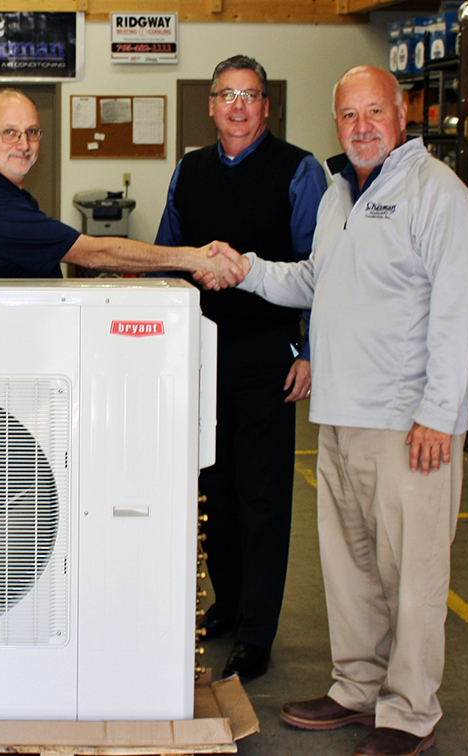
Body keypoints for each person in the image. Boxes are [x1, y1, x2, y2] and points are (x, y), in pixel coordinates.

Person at [221, 65, 468, 756]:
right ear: (335, 122)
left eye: (374, 112)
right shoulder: (340, 193)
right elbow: (316, 279)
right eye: (348, 115)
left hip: (406, 424)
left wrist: (439, 413)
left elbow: (460, 311)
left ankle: (410, 712)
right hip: (339, 414)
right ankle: (358, 686)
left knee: (412, 574)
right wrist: (246, 268)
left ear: (402, 115)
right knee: (351, 569)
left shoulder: (438, 195)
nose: (361, 127)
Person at [154, 55, 328, 681]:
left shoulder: (300, 171)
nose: (237, 106)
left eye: (249, 95)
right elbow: (168, 255)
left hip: (267, 356)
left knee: (262, 499)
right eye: (226, 95)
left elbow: (320, 273)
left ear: (266, 106)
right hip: (201, 355)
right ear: (210, 105)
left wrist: (309, 351)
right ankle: (227, 605)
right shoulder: (189, 170)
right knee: (214, 490)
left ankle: (256, 632)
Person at [0, 87, 246, 285]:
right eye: (9, 132)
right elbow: (94, 253)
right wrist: (194, 258)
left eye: (31, 132)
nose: (24, 145)